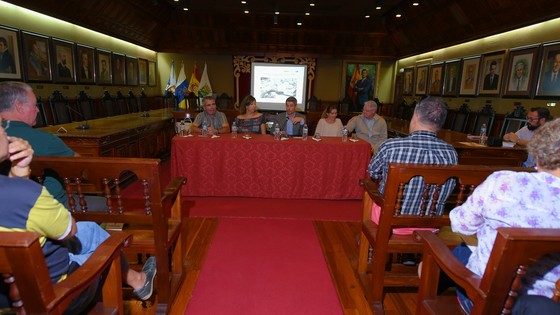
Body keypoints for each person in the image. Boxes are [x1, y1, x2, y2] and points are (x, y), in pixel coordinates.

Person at [0, 118, 157, 313]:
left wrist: (19, 175)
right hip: (59, 294)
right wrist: (24, 182)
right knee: (104, 242)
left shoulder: (16, 193)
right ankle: (138, 280)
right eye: (1, 127)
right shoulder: (26, 195)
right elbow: (68, 229)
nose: (7, 133)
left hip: (7, 295)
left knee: (89, 229)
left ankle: (138, 281)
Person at [448, 118, 560, 314]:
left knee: (463, 249)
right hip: (549, 304)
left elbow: (461, 225)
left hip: (487, 300)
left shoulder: (503, 182)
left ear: (539, 149)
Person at [0, 82, 106, 210]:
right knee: (105, 204)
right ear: (20, 107)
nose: (38, 110)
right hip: (50, 208)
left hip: (7, 211)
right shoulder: (46, 139)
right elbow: (82, 167)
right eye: (35, 105)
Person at [368, 97, 458, 215]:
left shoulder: (391, 147)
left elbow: (373, 172)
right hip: (430, 223)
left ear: (415, 117)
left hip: (389, 219)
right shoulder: (451, 153)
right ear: (440, 124)